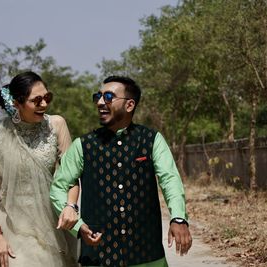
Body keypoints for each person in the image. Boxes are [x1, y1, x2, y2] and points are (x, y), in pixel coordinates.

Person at [50, 76, 192, 267]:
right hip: (98, 255)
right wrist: (77, 225)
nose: (100, 102)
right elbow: (59, 186)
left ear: (129, 105)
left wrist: (178, 217)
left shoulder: (151, 140)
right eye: (98, 96)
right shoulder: (82, 145)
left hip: (146, 253)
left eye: (108, 97)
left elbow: (170, 180)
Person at [0, 71, 79, 267]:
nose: (44, 104)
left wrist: (71, 206)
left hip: (54, 227)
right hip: (12, 229)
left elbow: (71, 177)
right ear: (17, 103)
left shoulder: (57, 125)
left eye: (47, 97)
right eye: (36, 100)